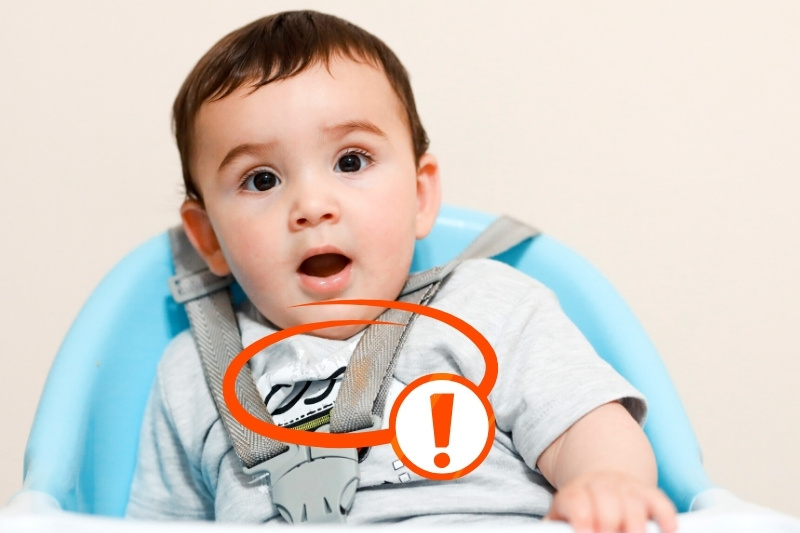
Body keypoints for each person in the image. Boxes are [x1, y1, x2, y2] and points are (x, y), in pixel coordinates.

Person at [126, 10, 677, 532]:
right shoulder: (193, 373)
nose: (312, 205)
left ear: (419, 194)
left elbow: (585, 426)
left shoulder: (488, 307)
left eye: (350, 162)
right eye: (263, 180)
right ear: (206, 238)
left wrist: (605, 482)